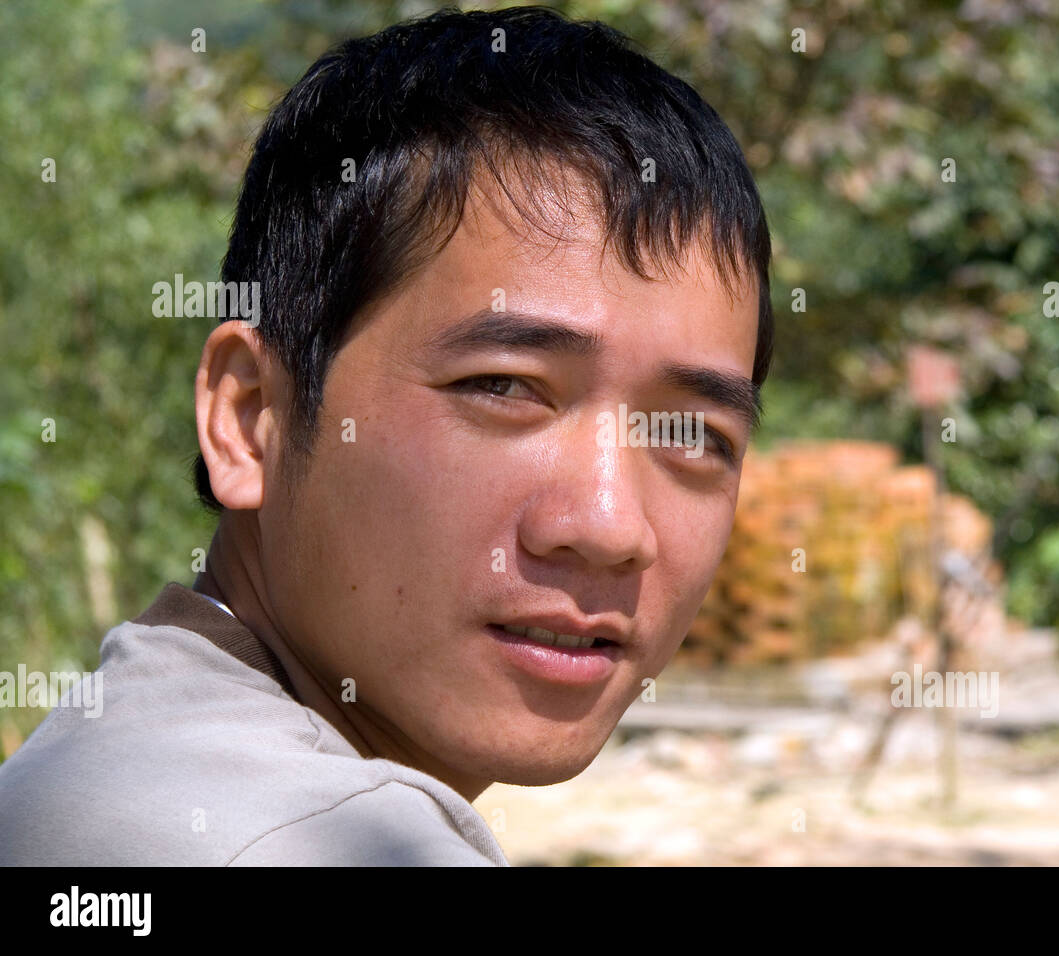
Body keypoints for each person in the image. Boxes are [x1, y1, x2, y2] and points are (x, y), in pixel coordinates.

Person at [0, 4, 773, 865]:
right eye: (504, 386)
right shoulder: (314, 842)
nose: (607, 525)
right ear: (251, 419)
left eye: (692, 434)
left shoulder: (93, 772)